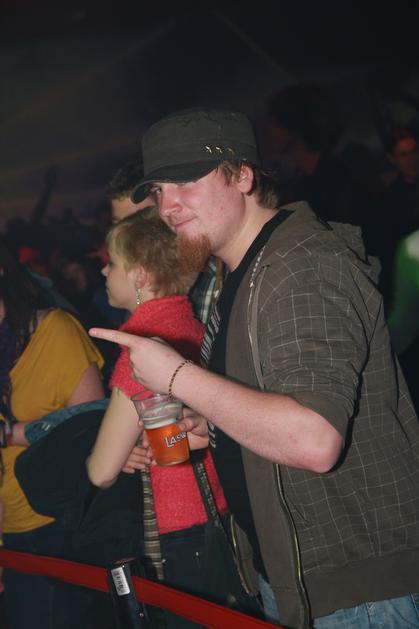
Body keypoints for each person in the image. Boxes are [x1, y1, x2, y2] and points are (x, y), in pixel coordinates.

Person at [90, 108, 419, 629]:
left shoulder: (300, 265)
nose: (167, 206)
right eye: (158, 190)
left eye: (185, 182)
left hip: (355, 590)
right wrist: (213, 424)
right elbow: (276, 402)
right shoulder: (240, 271)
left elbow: (314, 438)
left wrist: (175, 376)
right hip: (297, 579)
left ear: (242, 176)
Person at [86, 211, 231, 629]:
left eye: (113, 262)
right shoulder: (195, 326)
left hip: (178, 529)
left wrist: (103, 454)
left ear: (140, 276)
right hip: (220, 512)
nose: (104, 270)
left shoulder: (140, 350)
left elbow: (101, 472)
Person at [0, 239, 105, 629]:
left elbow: (90, 427)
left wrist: (8, 433)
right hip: (8, 532)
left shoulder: (54, 330)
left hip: (55, 523)